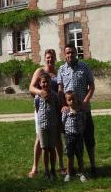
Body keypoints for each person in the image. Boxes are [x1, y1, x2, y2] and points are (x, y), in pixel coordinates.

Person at [57, 44, 97, 177]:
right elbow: (60, 90)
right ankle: (71, 170)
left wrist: (85, 102)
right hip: (69, 113)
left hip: (84, 110)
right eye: (67, 53)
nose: (70, 55)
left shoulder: (84, 67)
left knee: (88, 138)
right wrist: (63, 104)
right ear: (64, 54)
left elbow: (91, 86)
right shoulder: (61, 69)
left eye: (72, 52)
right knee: (70, 141)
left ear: (76, 53)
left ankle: (92, 166)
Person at [28, 49, 65, 178]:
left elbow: (61, 90)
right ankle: (35, 166)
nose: (50, 59)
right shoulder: (40, 71)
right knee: (39, 138)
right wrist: (40, 93)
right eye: (48, 57)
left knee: (57, 138)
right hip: (42, 110)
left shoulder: (58, 72)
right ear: (45, 58)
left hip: (55, 109)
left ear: (55, 58)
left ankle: (60, 166)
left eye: (52, 57)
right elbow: (31, 87)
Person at [34, 72, 59, 180]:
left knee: (52, 148)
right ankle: (46, 170)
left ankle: (53, 170)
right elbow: (37, 109)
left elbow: (57, 109)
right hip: (42, 126)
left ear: (50, 83)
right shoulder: (37, 97)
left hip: (53, 125)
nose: (45, 84)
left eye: (47, 82)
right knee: (44, 148)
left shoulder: (55, 95)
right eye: (43, 82)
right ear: (40, 84)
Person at [62, 90, 87, 182]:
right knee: (70, 156)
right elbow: (63, 122)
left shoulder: (81, 111)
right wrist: (66, 131)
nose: (71, 101)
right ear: (66, 101)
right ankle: (68, 173)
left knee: (80, 155)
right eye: (69, 100)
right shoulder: (65, 111)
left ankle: (82, 173)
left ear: (77, 99)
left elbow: (84, 121)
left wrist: (82, 130)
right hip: (69, 136)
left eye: (73, 99)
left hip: (79, 136)